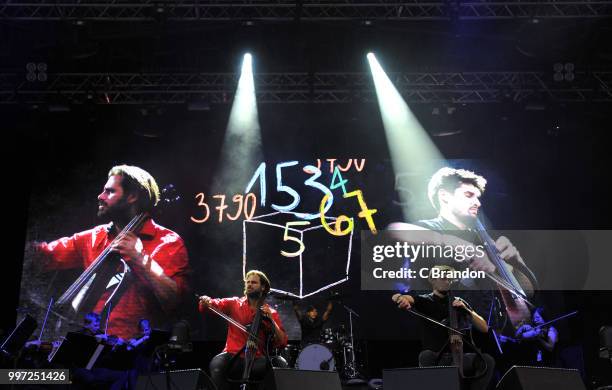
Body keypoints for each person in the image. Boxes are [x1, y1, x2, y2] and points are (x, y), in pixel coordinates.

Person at [35, 165, 191, 339]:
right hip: (82, 341)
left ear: (132, 196)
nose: (100, 196)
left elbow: (175, 301)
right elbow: (44, 256)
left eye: (109, 192)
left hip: (132, 353)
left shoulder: (168, 242)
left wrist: (139, 258)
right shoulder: (94, 236)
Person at [388, 167, 536, 319]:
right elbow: (393, 231)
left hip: (481, 330)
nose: (477, 203)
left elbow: (528, 293)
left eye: (478, 197)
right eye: (469, 195)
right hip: (442, 326)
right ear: (444, 196)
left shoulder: (483, 241)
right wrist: (456, 243)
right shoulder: (430, 228)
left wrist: (516, 263)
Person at [392, 265, 495, 390]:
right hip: (437, 357)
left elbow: (484, 327)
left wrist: (467, 310)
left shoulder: (458, 302)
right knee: (425, 356)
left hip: (459, 356)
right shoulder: (424, 300)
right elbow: (404, 298)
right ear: (432, 279)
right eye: (443, 278)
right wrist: (400, 298)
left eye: (449, 279)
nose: (446, 281)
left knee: (487, 361)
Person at [198, 270, 288, 390]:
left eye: (254, 282)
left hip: (257, 359)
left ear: (263, 287)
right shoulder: (234, 303)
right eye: (248, 282)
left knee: (279, 364)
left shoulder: (270, 312)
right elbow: (213, 304)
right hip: (233, 356)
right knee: (217, 363)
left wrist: (271, 320)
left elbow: (282, 341)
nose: (249, 284)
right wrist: (206, 301)